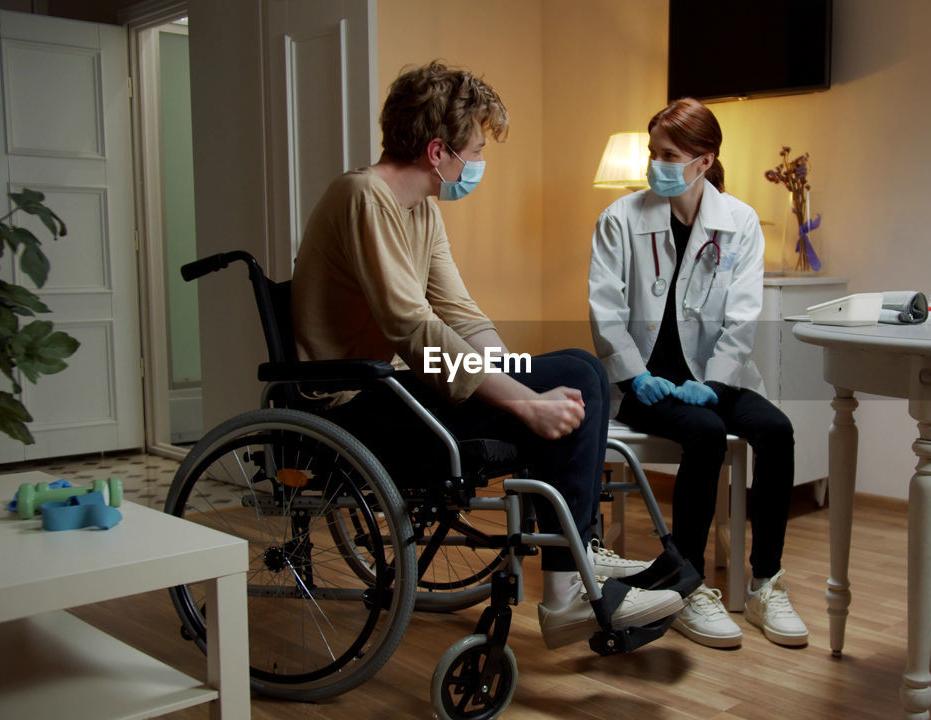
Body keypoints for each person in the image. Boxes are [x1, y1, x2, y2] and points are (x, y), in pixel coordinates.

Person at [291, 61, 682, 650]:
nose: (478, 161)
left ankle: (571, 571)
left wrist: (521, 378)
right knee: (553, 388)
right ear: (437, 150)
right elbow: (411, 328)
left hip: (395, 386)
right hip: (351, 403)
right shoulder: (363, 196)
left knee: (576, 369)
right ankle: (570, 584)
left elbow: (462, 315)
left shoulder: (421, 209)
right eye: (474, 148)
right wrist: (524, 402)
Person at [587, 97, 808, 649]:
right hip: (647, 384)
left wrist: (713, 382)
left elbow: (743, 314)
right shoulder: (619, 219)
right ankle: (686, 588)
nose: (654, 164)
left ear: (704, 161)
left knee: (776, 431)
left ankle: (766, 583)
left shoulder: (738, 222)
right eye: (652, 152)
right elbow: (605, 310)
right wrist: (634, 375)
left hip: (714, 376)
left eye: (668, 155)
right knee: (706, 435)